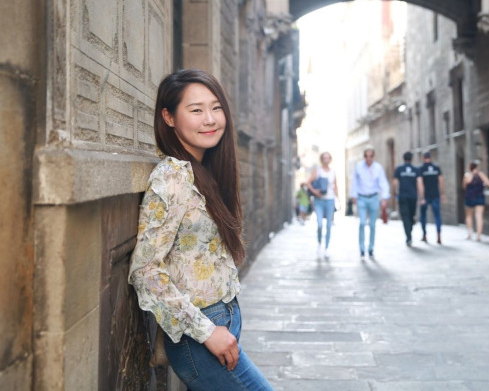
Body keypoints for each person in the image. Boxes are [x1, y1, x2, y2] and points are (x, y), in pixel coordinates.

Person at [128, 69, 273, 391]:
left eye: (216, 107)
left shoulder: (203, 171)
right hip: (201, 335)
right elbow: (146, 270)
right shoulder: (172, 177)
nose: (210, 119)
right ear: (168, 117)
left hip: (221, 320)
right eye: (196, 110)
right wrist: (208, 331)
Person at [349, 146, 391, 258]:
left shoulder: (378, 168)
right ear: (364, 157)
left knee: (372, 225)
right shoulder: (358, 166)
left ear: (373, 156)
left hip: (374, 198)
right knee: (362, 223)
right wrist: (353, 195)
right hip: (362, 198)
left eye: (371, 156)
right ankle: (361, 247)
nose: (368, 158)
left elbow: (383, 182)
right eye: (366, 156)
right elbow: (354, 182)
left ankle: (371, 248)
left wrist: (385, 198)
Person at [307, 152, 339, 258]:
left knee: (329, 225)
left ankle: (326, 247)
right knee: (320, 224)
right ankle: (319, 243)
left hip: (330, 200)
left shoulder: (333, 172)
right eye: (324, 158)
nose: (326, 160)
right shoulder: (318, 170)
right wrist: (315, 191)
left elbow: (335, 186)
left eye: (328, 158)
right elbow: (308, 182)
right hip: (319, 201)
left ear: (330, 159)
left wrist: (337, 200)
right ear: (322, 159)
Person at [393, 151, 423, 246]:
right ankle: (409, 233)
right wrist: (421, 196)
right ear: (411, 159)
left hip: (403, 196)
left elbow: (395, 182)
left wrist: (395, 193)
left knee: (405, 216)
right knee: (410, 215)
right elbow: (419, 183)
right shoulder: (416, 170)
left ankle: (408, 235)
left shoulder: (399, 169)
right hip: (413, 197)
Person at [418, 151, 445, 245]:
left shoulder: (421, 169)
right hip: (436, 195)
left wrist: (422, 197)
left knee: (423, 216)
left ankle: (424, 235)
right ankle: (439, 236)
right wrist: (442, 194)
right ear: (430, 157)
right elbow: (441, 182)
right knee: (437, 216)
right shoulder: (436, 167)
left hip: (426, 196)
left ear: (423, 158)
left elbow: (421, 184)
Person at [462, 161, 489, 241]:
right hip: (479, 196)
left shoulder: (467, 175)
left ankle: (470, 233)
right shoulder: (481, 174)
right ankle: (478, 235)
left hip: (470, 197)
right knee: (479, 216)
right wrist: (483, 185)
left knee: (469, 216)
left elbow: (464, 186)